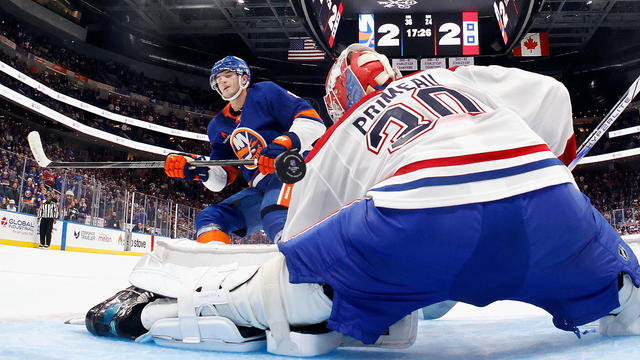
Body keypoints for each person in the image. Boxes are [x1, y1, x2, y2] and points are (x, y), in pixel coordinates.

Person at [85, 45, 640, 356]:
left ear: (342, 95)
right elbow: (553, 95)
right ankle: (616, 292)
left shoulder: (339, 128)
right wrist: (555, 163)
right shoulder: (456, 75)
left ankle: (172, 309)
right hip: (551, 210)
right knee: (626, 295)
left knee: (298, 286)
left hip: (420, 221)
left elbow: (300, 241)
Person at [164, 55, 325, 244]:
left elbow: (314, 123)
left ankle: (304, 261)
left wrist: (282, 144)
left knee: (274, 214)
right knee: (209, 218)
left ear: (244, 78)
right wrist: (198, 169)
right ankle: (217, 267)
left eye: (227, 74)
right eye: (217, 78)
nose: (221, 80)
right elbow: (222, 178)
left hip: (290, 171)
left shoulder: (266, 92)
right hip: (261, 188)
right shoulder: (218, 126)